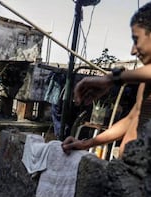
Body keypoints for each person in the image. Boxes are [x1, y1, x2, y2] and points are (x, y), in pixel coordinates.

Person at [62, 2, 151, 157]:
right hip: (130, 170)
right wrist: (86, 143)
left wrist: (112, 79)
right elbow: (132, 119)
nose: (133, 50)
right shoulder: (146, 82)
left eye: (136, 40)